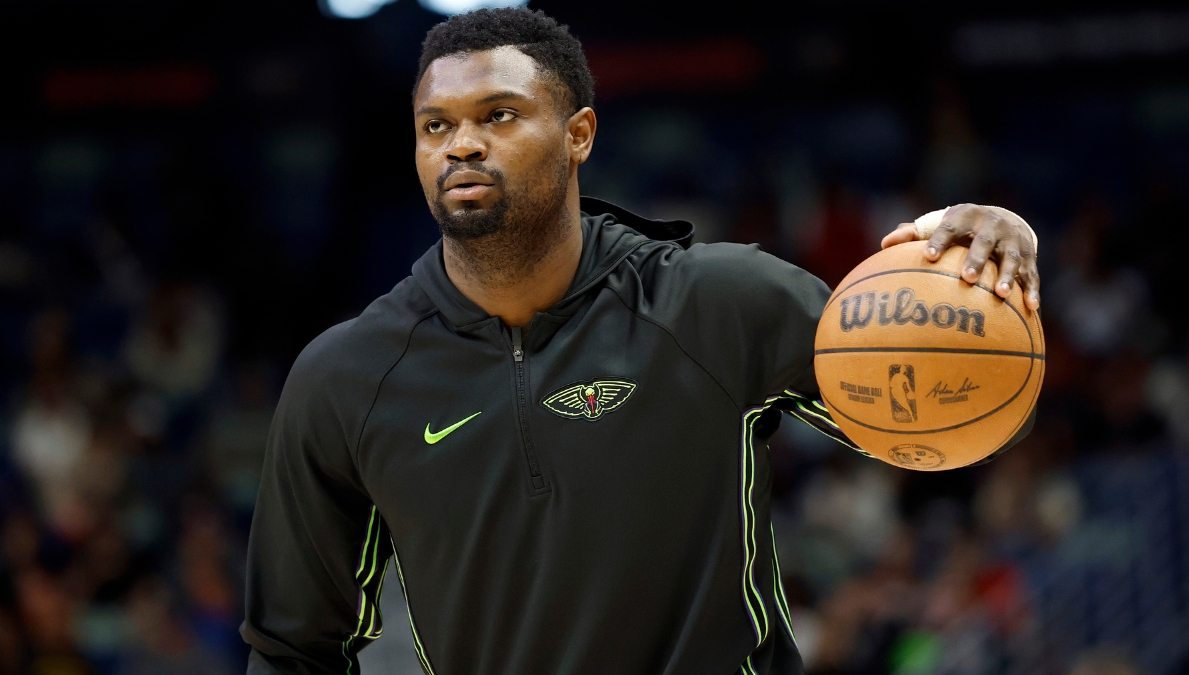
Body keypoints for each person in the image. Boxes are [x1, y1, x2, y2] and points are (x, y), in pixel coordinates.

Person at [240, 8, 1040, 675]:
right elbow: (291, 648)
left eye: (499, 115)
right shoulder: (345, 376)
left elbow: (941, 414)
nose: (462, 144)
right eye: (435, 125)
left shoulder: (718, 299)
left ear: (578, 133)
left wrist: (973, 283)